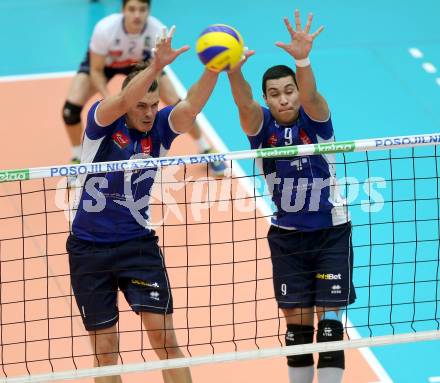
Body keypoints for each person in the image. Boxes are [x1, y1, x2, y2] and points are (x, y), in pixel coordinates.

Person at [66, 26, 219, 383]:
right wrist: (154, 67)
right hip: (89, 250)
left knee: (166, 342)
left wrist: (214, 67)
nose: (149, 113)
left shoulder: (161, 129)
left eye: (154, 105)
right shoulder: (101, 124)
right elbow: (119, 102)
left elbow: (192, 105)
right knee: (106, 352)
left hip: (138, 247)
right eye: (141, 105)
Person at [226, 10, 355, 383]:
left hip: (331, 233)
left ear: (297, 91)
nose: (283, 100)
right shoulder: (261, 126)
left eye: (289, 91)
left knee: (329, 330)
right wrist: (233, 70)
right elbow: (244, 106)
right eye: (274, 94)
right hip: (288, 239)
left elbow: (313, 94)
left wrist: (303, 58)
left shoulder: (315, 120)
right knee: (298, 335)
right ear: (267, 98)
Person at [63, 0, 225, 176]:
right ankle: (77, 159)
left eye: (142, 10)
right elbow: (95, 69)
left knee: (179, 105)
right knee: (70, 110)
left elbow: (156, 67)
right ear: (123, 11)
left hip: (143, 66)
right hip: (106, 65)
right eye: (132, 9)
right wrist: (113, 102)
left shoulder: (157, 30)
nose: (137, 15)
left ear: (148, 11)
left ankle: (205, 148)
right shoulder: (105, 28)